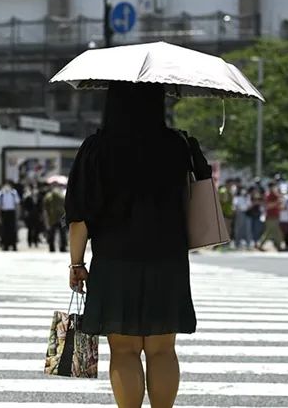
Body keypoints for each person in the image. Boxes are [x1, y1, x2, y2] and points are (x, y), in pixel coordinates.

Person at [65, 83, 208, 408]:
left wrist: (76, 263)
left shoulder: (97, 148)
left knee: (125, 350)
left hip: (114, 261)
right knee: (162, 350)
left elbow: (78, 216)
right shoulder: (176, 146)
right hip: (167, 259)